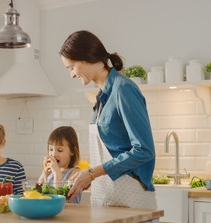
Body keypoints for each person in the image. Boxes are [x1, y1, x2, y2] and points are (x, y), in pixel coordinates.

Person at [59, 30, 157, 209]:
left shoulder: (123, 89)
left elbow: (144, 150)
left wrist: (92, 173)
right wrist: (88, 178)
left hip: (131, 200)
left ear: (88, 57)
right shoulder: (101, 97)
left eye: (72, 67)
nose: (71, 75)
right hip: (105, 198)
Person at [37, 126, 82, 204]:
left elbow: (61, 202)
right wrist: (44, 174)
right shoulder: (51, 173)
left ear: (72, 151)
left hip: (70, 214)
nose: (53, 154)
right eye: (51, 149)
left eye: (59, 150)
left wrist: (57, 174)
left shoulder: (75, 173)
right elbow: (37, 194)